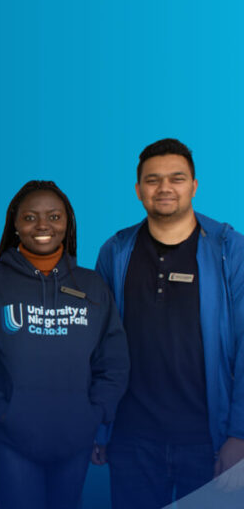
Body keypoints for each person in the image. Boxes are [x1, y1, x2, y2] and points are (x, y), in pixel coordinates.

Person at [96, 138, 244, 508]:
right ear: (138, 190)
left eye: (176, 178)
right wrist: (100, 427)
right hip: (131, 440)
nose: (164, 188)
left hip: (208, 441)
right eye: (153, 179)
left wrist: (239, 435)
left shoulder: (230, 250)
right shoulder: (115, 251)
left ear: (194, 186)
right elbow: (96, 345)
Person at [0, 180, 129, 509]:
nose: (43, 225)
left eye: (54, 217)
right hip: (10, 438)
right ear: (15, 223)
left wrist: (95, 412)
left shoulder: (92, 286)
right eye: (30, 217)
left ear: (67, 222)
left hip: (75, 439)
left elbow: (113, 359)